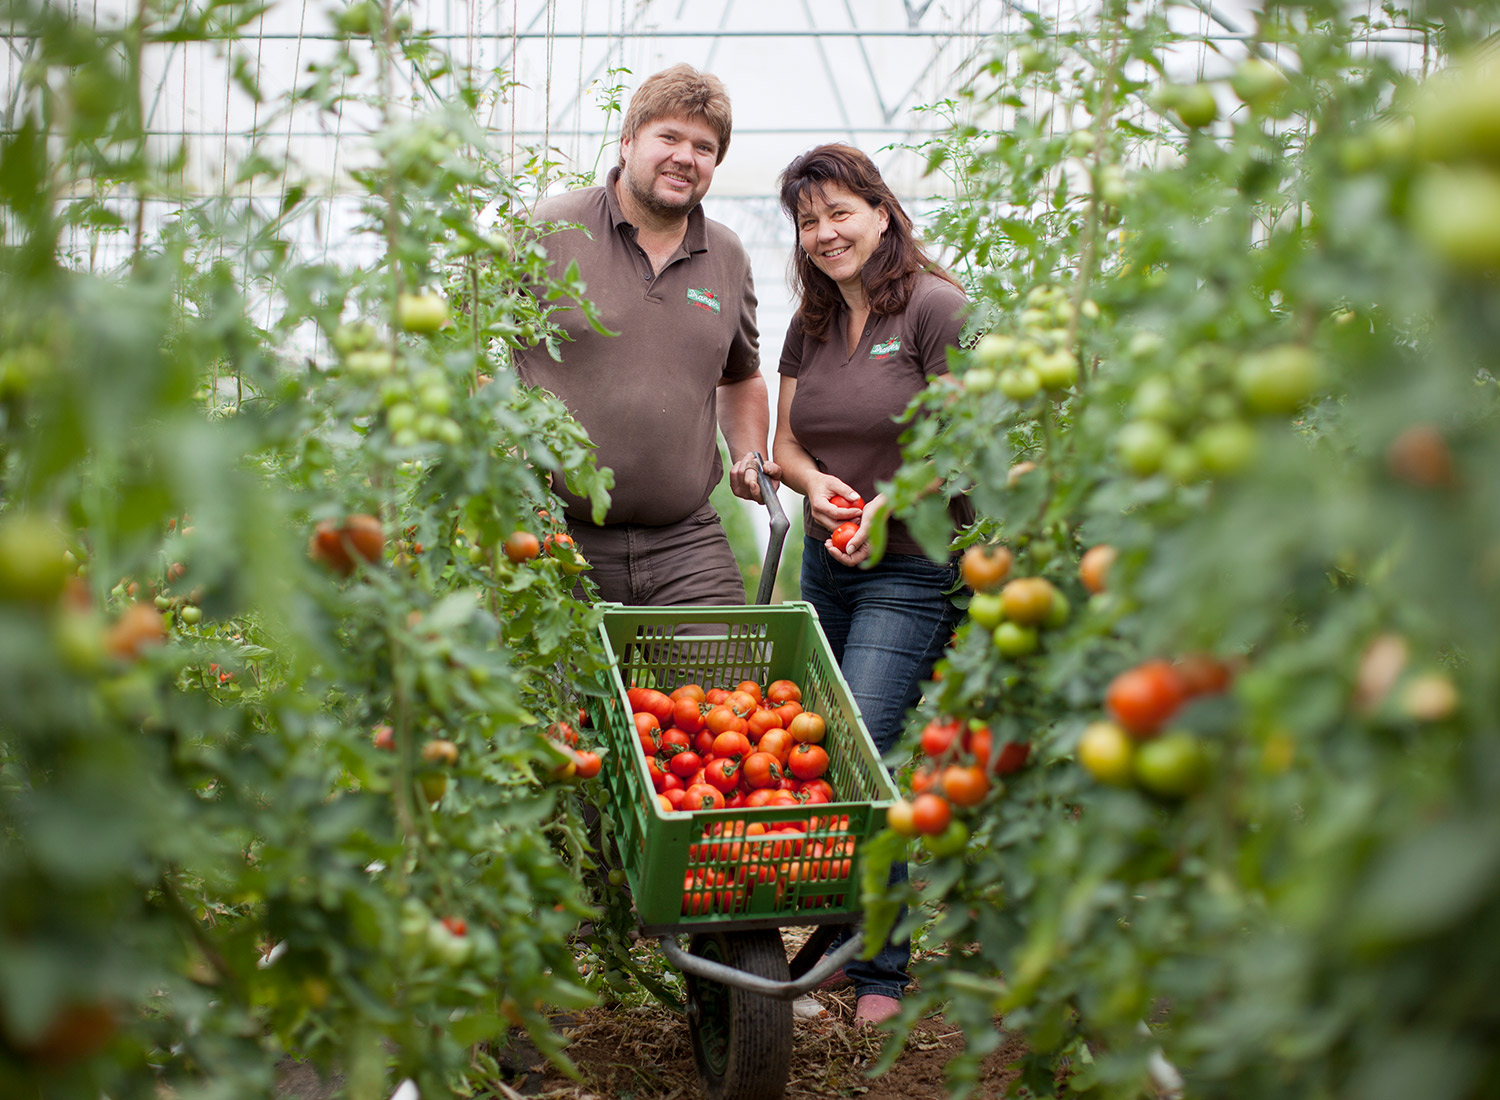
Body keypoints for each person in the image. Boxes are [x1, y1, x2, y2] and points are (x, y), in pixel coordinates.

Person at [771, 144, 971, 1027]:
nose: (824, 233)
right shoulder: (809, 322)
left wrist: (896, 503)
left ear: (882, 213)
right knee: (820, 747)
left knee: (862, 751)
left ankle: (878, 974)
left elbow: (969, 443)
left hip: (913, 565)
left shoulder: (937, 308)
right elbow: (786, 446)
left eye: (840, 212)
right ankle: (829, 951)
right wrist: (814, 488)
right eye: (809, 221)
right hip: (830, 559)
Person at [511, 64, 778, 606]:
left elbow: (741, 376)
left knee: (727, 687)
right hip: (556, 530)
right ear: (628, 142)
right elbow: (460, 340)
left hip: (686, 542)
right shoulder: (549, 230)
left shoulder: (726, 256)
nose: (686, 156)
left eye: (704, 147)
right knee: (567, 691)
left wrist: (749, 455)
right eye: (670, 137)